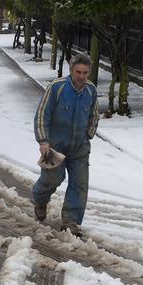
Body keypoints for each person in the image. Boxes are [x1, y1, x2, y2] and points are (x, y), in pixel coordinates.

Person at [32, 54, 99, 235]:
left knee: (80, 184)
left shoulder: (91, 90)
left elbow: (94, 114)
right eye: (78, 72)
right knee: (52, 179)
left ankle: (70, 222)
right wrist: (44, 141)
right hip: (55, 147)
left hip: (80, 149)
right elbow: (42, 115)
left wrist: (88, 135)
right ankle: (39, 200)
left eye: (85, 72)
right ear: (71, 71)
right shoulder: (57, 88)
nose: (82, 76)